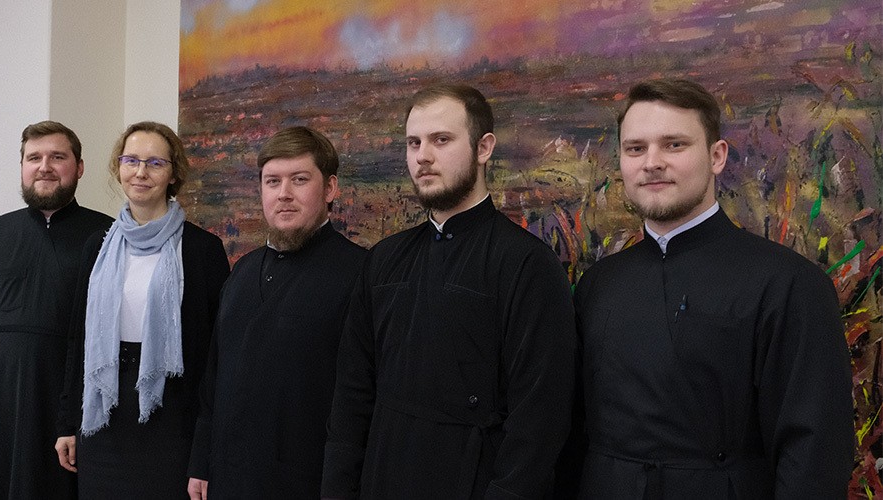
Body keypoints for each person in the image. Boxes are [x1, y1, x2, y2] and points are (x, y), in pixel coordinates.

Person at [567, 78, 852, 498]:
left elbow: (816, 455)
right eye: (636, 148)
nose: (652, 162)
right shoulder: (598, 284)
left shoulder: (789, 283)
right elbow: (570, 433)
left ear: (716, 156)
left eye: (674, 145)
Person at [321, 84, 577, 499]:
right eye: (414, 143)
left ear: (483, 147)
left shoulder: (527, 265)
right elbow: (352, 396)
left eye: (441, 140)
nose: (423, 156)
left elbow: (539, 421)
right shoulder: (383, 259)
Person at [187, 126, 366, 499]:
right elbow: (214, 378)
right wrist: (201, 464)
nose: (284, 193)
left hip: (310, 482)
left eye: (299, 180)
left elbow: (360, 401)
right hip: (229, 478)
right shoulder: (242, 271)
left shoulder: (360, 273)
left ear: (330, 188)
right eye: (272, 181)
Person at [54, 122, 230, 498]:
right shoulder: (97, 247)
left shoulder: (202, 250)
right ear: (118, 167)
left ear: (173, 174)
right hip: (103, 415)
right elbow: (78, 339)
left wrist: (205, 447)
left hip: (172, 418)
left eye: (155, 163)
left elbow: (217, 356)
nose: (140, 172)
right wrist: (67, 422)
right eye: (131, 160)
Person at [0, 120, 113, 500]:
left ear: (79, 167)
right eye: (34, 158)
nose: (45, 167)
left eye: (58, 157)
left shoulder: (106, 235)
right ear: (22, 166)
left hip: (70, 388)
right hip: (2, 390)